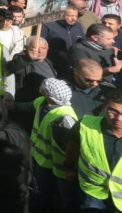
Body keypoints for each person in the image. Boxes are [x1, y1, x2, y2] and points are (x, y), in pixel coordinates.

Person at [29, 78, 78, 213]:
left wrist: (70, 168)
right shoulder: (42, 103)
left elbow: (70, 146)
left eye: (43, 86)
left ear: (45, 92)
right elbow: (29, 105)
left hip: (61, 168)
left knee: (66, 198)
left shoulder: (63, 117)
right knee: (45, 194)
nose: (40, 86)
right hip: (42, 161)